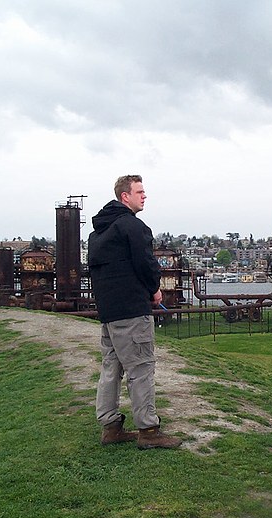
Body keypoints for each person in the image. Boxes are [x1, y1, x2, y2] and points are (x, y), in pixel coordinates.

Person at [87, 175, 182, 450]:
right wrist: (154, 289)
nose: (144, 196)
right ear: (124, 196)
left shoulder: (97, 234)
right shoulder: (134, 227)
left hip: (109, 312)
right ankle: (149, 430)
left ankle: (110, 426)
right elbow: (145, 263)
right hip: (131, 311)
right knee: (141, 369)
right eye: (139, 191)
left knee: (111, 369)